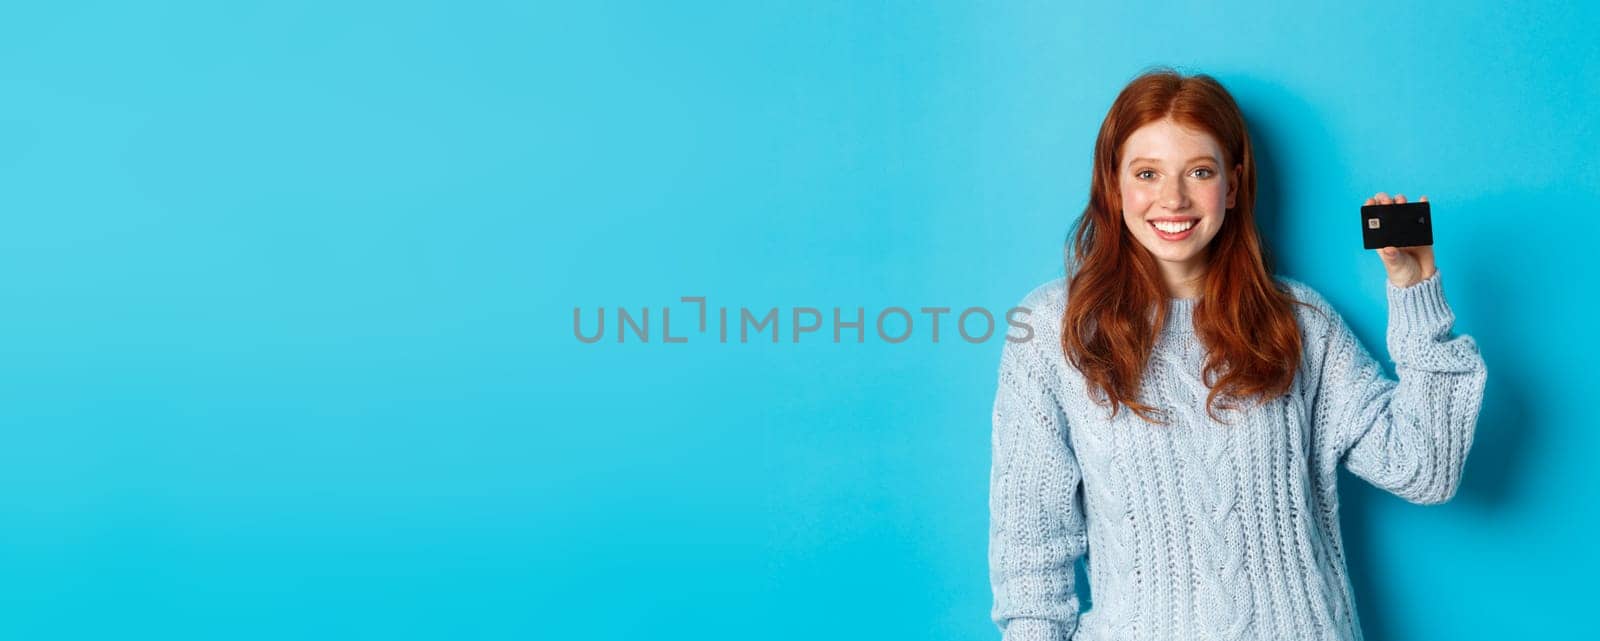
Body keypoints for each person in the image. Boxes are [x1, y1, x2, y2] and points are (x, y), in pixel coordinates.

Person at [987, 68, 1488, 641]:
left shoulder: (1298, 321)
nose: (1172, 198)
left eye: (1199, 171)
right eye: (1147, 173)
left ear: (1232, 183)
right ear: (1113, 184)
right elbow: (1030, 562)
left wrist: (1415, 292)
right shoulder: (1055, 330)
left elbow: (1425, 469)